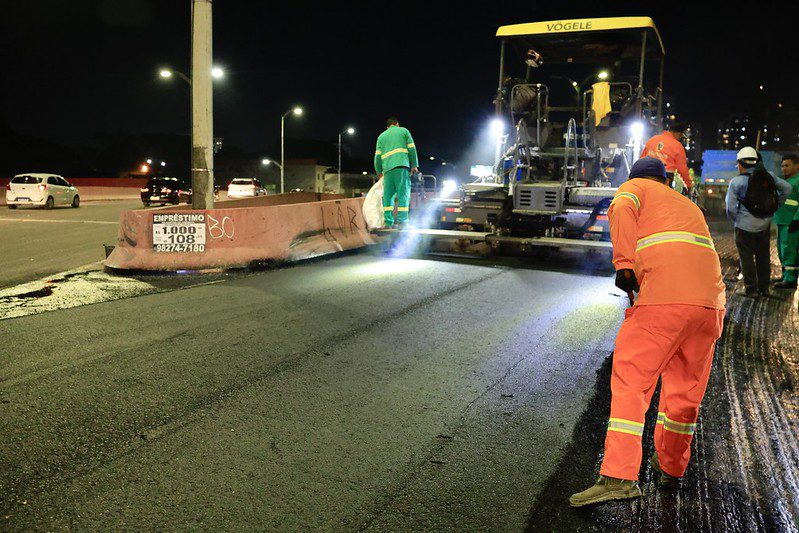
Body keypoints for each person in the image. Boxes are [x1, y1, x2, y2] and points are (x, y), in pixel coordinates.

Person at [569, 157, 726, 507]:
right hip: (710, 305)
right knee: (685, 392)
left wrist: (625, 264)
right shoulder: (687, 204)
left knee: (632, 382)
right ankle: (671, 468)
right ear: (666, 179)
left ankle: (618, 477)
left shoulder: (633, 189)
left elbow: (621, 209)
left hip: (664, 302)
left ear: (636, 177)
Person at [725, 147, 792, 297]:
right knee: (763, 256)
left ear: (740, 163)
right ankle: (764, 288)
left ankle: (751, 289)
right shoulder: (769, 176)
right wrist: (775, 206)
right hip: (764, 225)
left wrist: (737, 220)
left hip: (743, 226)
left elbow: (730, 208)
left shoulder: (737, 182)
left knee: (747, 257)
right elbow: (787, 188)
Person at [373, 117, 419, 228]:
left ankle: (388, 222)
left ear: (387, 127)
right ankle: (402, 221)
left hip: (387, 170)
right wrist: (414, 165)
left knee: (388, 196)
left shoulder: (381, 136)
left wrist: (379, 171)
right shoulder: (404, 131)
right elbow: (412, 149)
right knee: (403, 194)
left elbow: (377, 156)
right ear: (397, 124)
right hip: (401, 167)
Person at [640, 122, 693, 193]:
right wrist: (688, 185)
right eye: (680, 136)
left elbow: (641, 161)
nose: (680, 138)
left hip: (647, 176)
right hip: (664, 179)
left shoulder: (652, 140)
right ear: (678, 134)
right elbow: (682, 169)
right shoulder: (677, 146)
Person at [773, 154, 799, 289]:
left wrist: (797, 219)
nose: (784, 168)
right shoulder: (784, 181)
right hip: (782, 220)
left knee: (789, 250)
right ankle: (785, 275)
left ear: (797, 166)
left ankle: (791, 278)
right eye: (782, 166)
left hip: (791, 222)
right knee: (782, 250)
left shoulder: (797, 181)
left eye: (787, 165)